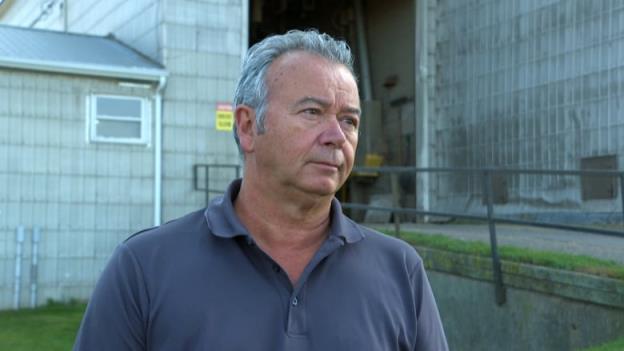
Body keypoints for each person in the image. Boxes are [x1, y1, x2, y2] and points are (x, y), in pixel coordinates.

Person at [73, 29, 448, 351]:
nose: (337, 136)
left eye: (349, 120)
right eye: (312, 113)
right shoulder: (143, 268)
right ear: (248, 127)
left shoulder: (401, 270)